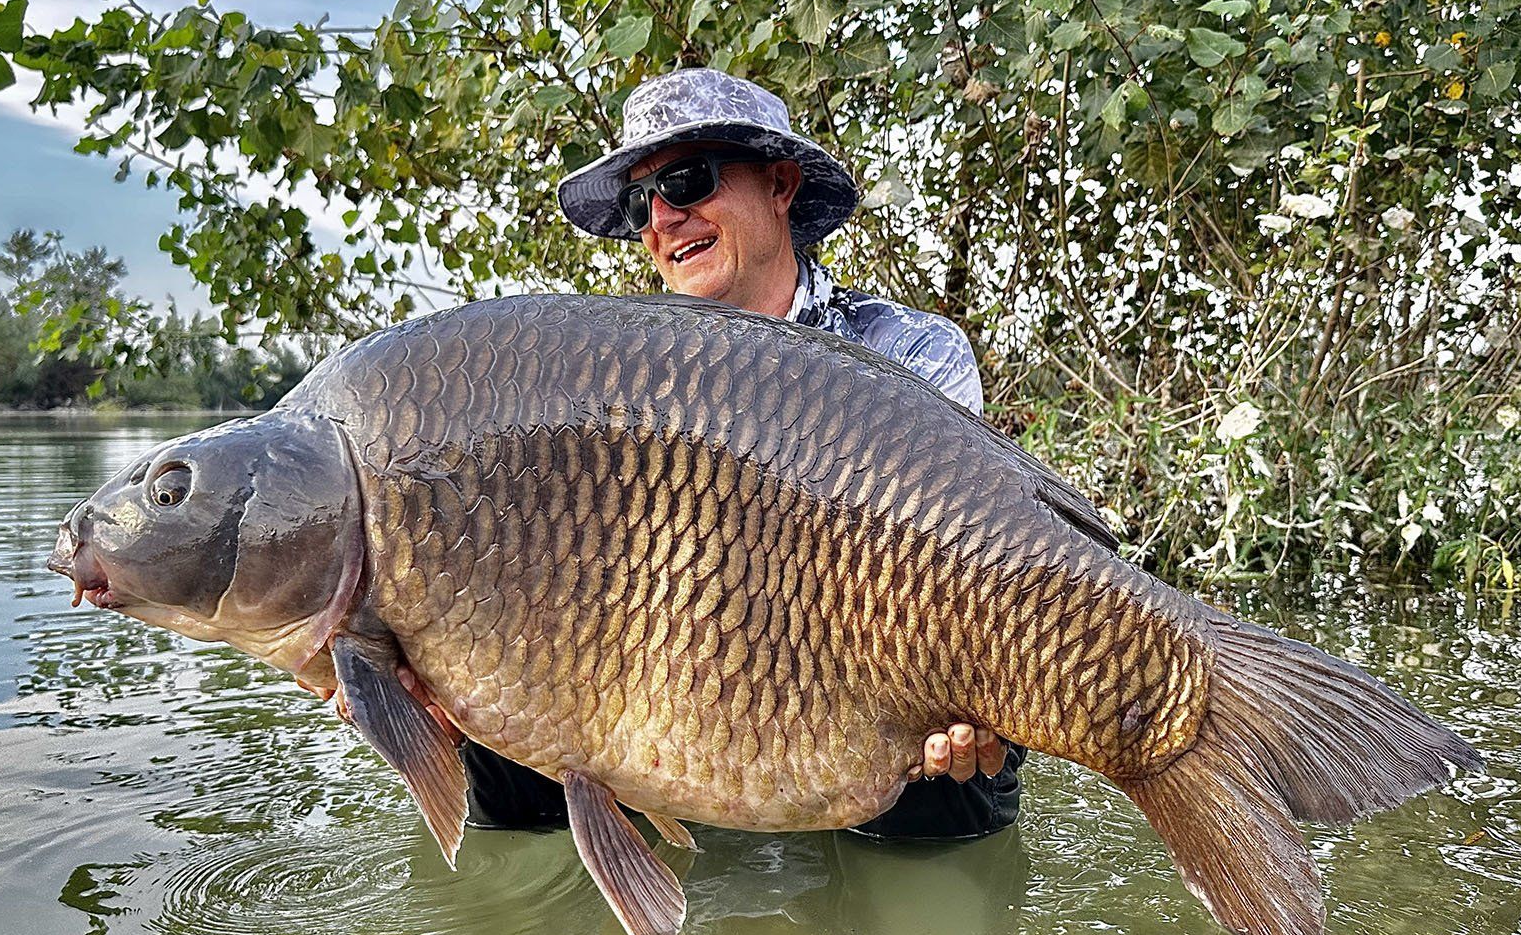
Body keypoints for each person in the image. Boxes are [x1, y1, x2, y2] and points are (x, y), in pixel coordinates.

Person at [314, 68, 1024, 839]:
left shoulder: (909, 352)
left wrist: (966, 686)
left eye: (687, 180)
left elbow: (960, 567)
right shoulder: (600, 384)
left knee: (940, 815)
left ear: (780, 184)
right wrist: (434, 681)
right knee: (502, 740)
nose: (662, 217)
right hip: (683, 698)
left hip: (869, 678)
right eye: (638, 202)